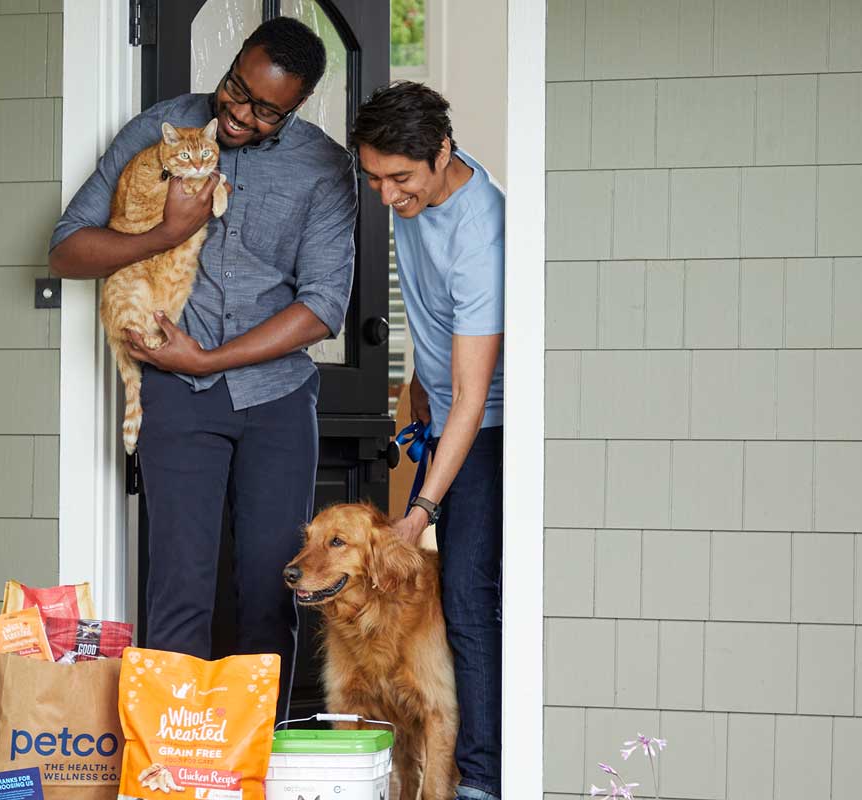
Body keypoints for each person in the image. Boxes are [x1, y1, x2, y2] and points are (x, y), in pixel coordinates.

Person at [48, 17, 357, 720]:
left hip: (276, 401)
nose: (239, 114)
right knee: (178, 592)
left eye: (263, 109)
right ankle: (172, 775)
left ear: (298, 105)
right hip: (176, 398)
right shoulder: (160, 128)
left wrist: (209, 357)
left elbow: (322, 307)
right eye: (234, 91)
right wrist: (167, 232)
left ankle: (256, 767)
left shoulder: (322, 167)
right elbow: (66, 252)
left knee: (268, 595)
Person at [350, 82, 504, 800]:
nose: (386, 196)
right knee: (438, 594)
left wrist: (422, 509)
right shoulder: (415, 192)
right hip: (440, 416)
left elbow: (475, 393)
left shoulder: (482, 231)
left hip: (487, 428)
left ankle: (481, 779)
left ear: (442, 154)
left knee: (466, 595)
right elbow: (433, 323)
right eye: (374, 178)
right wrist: (412, 391)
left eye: (399, 179)